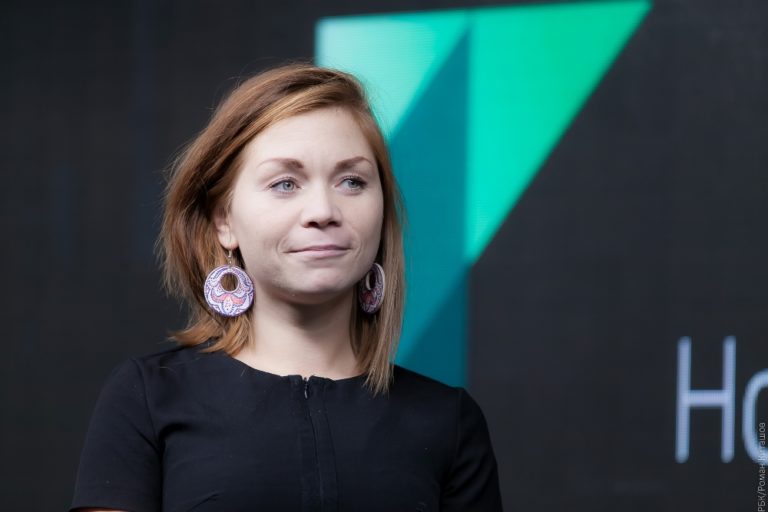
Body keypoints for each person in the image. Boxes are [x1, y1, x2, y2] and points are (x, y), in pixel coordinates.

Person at [70, 63, 503, 512]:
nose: (323, 211)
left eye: (352, 181)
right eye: (285, 184)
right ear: (224, 220)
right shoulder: (148, 396)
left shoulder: (448, 422)